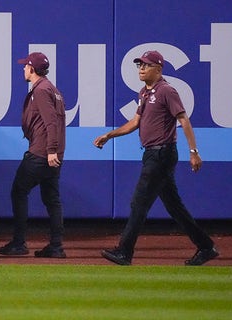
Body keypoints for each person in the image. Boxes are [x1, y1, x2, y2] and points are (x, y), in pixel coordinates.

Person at [93, 50, 219, 266]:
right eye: (139, 65)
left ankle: (124, 252)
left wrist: (194, 151)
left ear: (159, 69)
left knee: (139, 202)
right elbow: (134, 122)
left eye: (146, 65)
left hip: (161, 154)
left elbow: (183, 120)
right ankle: (206, 247)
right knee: (174, 206)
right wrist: (109, 135)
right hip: (153, 153)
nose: (141, 68)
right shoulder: (144, 92)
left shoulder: (166, 91)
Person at [0, 52, 67, 258]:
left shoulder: (41, 90)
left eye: (25, 66)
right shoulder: (52, 89)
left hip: (41, 152)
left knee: (19, 192)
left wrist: (51, 149)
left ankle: (19, 243)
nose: (23, 69)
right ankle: (56, 245)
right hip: (52, 153)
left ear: (32, 69)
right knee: (52, 199)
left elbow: (51, 122)